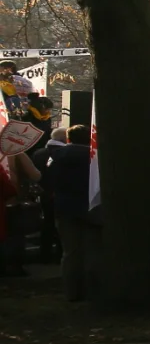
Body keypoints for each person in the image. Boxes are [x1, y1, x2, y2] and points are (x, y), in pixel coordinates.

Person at [45, 125, 97, 299]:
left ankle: (71, 291)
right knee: (91, 249)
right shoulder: (93, 157)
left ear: (68, 139)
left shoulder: (55, 157)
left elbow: (47, 180)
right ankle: (91, 290)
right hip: (90, 206)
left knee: (70, 252)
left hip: (64, 207)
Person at [34, 128, 67, 264]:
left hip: (43, 193)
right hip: (59, 194)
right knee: (61, 227)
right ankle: (59, 254)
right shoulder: (63, 153)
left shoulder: (39, 153)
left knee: (47, 224)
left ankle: (44, 254)